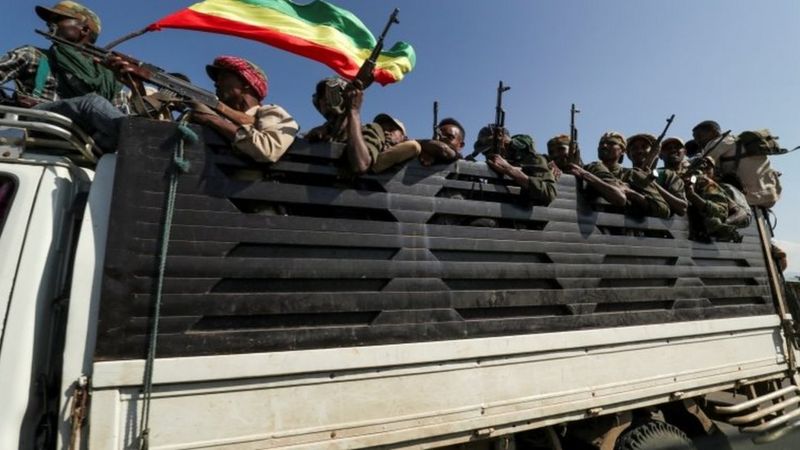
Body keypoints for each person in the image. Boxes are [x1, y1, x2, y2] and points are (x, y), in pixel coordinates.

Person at [0, 2, 126, 149]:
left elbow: (120, 117)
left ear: (84, 29)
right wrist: (9, 103)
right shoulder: (32, 55)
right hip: (38, 123)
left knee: (120, 126)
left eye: (58, 19)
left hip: (84, 144)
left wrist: (135, 87)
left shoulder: (109, 76)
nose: (50, 24)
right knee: (92, 102)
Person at [187, 56, 298, 163]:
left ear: (246, 83)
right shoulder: (221, 117)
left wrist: (212, 119)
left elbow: (268, 149)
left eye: (223, 78)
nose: (216, 84)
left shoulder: (271, 112)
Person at [572, 131, 669, 218]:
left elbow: (664, 210)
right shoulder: (588, 169)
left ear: (622, 151)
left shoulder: (633, 175)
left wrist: (632, 194)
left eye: (611, 143)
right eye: (601, 143)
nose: (604, 146)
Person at [692, 120, 781, 208]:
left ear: (713, 131)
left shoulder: (717, 143)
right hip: (771, 196)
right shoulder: (742, 142)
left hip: (746, 198)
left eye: (699, 136)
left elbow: (698, 167)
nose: (697, 141)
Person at [476, 125, 557, 205]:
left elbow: (549, 193)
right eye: (485, 152)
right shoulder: (495, 163)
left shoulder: (533, 159)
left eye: (490, 150)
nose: (488, 155)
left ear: (504, 142)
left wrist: (510, 170)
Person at [683, 156, 742, 242]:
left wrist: (725, 223)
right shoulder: (688, 179)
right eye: (700, 167)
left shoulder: (718, 187)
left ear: (714, 171)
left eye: (708, 167)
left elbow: (734, 211)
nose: (704, 170)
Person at [627, 133, 687, 216]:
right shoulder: (623, 174)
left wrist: (652, 183)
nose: (640, 151)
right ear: (629, 154)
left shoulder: (667, 175)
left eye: (644, 147)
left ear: (654, 152)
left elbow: (682, 208)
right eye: (634, 148)